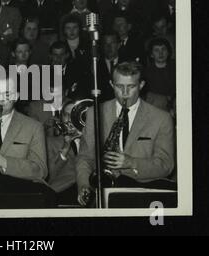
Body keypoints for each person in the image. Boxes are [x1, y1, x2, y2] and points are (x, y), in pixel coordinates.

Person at [76, 61, 175, 206]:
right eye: (119, 86)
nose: (125, 93)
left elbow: (166, 165)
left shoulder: (161, 118)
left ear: (141, 85)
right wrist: (84, 185)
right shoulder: (94, 113)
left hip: (142, 193)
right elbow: (85, 157)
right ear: (111, 84)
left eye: (131, 87)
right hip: (102, 193)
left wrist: (131, 162)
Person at [46, 101, 84, 204]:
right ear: (61, 118)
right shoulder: (49, 142)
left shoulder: (92, 141)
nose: (70, 120)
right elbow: (48, 177)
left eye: (75, 116)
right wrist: (65, 149)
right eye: (66, 115)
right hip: (61, 193)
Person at [144, 38, 175, 112]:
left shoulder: (175, 68)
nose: (161, 53)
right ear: (151, 54)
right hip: (156, 107)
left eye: (163, 49)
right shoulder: (146, 72)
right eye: (156, 50)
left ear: (168, 52)